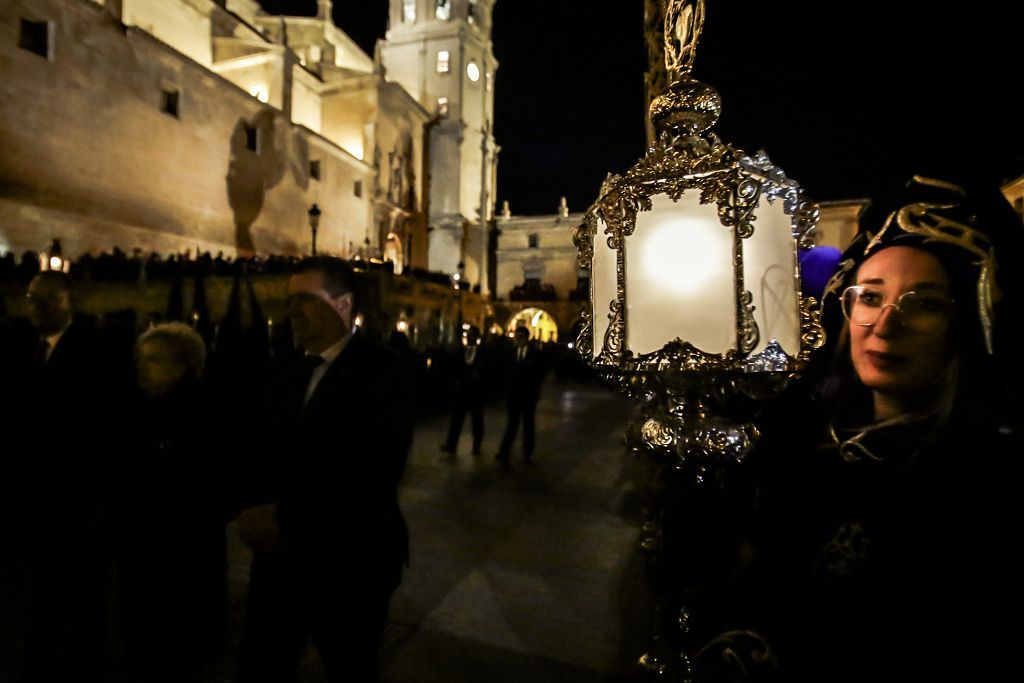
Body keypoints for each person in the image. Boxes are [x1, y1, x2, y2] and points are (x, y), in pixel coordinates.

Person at [694, 175, 1022, 681]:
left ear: (971, 324)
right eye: (870, 297)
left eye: (925, 302)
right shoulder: (800, 442)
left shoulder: (985, 488)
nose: (886, 323)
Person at [234, 256, 414, 683]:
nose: (293, 311)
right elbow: (264, 451)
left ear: (343, 304)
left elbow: (371, 469)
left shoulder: (382, 371)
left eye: (306, 299)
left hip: (348, 560)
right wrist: (251, 505)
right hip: (279, 560)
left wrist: (284, 518)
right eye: (290, 299)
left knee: (348, 666)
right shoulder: (288, 369)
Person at [4, 270, 131, 681]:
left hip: (77, 497)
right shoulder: (20, 346)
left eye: (47, 299)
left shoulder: (97, 350)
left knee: (81, 593)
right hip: (31, 496)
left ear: (68, 302)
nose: (36, 307)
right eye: (31, 298)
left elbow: (104, 426)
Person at [113, 322, 228, 680]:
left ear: (182, 366)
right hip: (146, 554)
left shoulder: (200, 419)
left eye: (153, 360)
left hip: (180, 560)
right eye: (140, 358)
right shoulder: (142, 409)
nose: (141, 367)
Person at [496, 325, 546, 466]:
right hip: (513, 395)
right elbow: (505, 371)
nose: (519, 340)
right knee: (512, 424)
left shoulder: (535, 353)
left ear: (526, 338)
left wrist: (533, 386)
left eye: (521, 337)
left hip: (529, 395)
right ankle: (504, 452)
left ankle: (528, 453)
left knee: (528, 424)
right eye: (517, 337)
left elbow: (540, 373)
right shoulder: (511, 352)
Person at [441, 325, 486, 458]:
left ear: (477, 337)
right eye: (468, 335)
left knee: (477, 420)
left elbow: (488, 370)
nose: (469, 337)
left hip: (476, 391)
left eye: (472, 335)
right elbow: (455, 367)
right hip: (462, 390)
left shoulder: (483, 352)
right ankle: (451, 444)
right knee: (457, 419)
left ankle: (477, 445)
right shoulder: (461, 351)